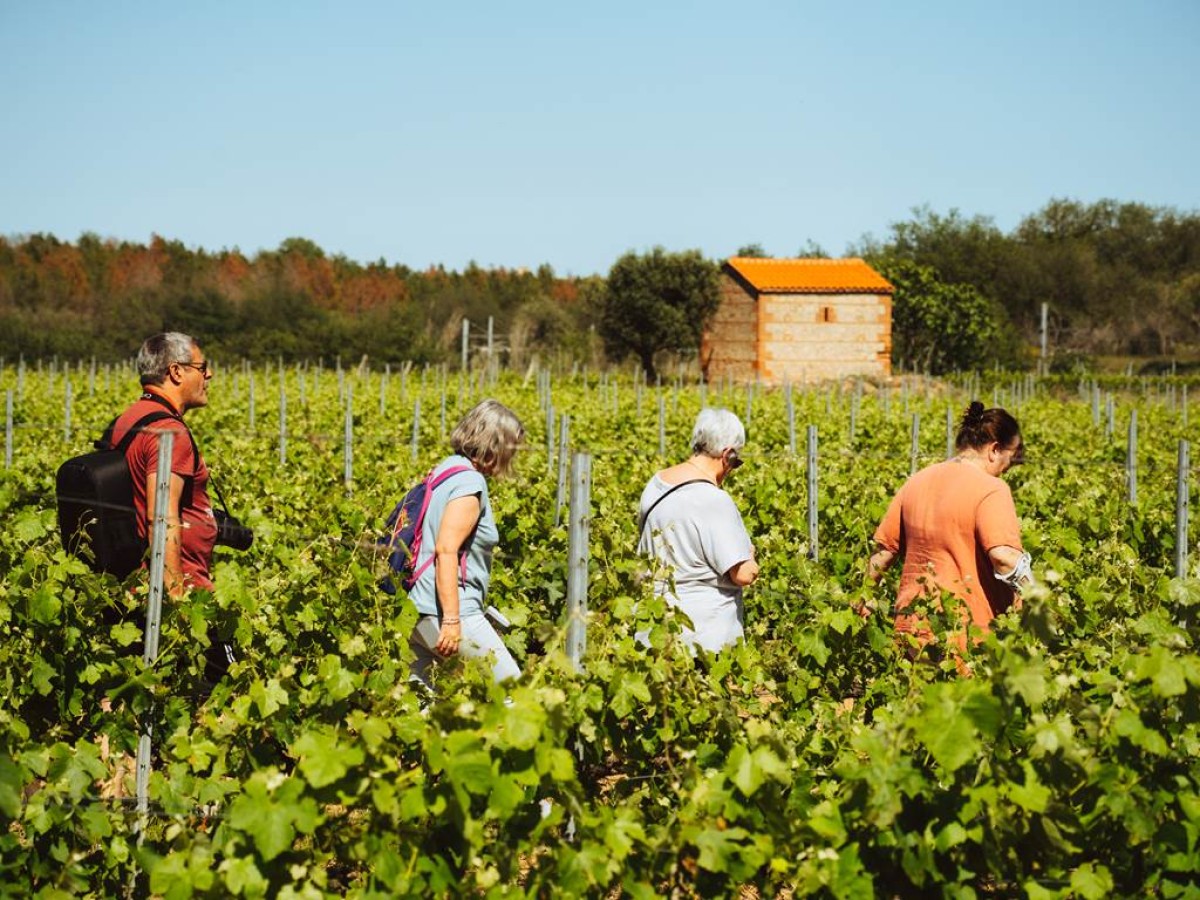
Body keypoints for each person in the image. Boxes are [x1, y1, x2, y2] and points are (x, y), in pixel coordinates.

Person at [109, 331, 233, 682]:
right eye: (202, 367)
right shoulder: (170, 434)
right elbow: (161, 518)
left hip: (136, 583)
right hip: (181, 589)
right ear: (177, 372)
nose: (208, 376)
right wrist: (178, 598)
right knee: (227, 689)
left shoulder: (131, 418)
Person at [868, 401, 1032, 653]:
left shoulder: (917, 481)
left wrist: (863, 598)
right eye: (1010, 460)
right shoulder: (991, 488)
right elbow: (1004, 557)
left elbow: (883, 553)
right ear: (995, 449)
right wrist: (1037, 597)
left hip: (911, 629)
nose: (1006, 470)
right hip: (964, 633)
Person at [406, 399, 525, 688]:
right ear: (495, 445)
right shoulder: (470, 483)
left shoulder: (444, 471)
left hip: (417, 609)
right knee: (514, 692)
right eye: (511, 448)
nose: (512, 457)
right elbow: (446, 550)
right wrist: (452, 620)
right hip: (450, 611)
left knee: (422, 705)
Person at [637, 407, 759, 652]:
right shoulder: (714, 500)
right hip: (703, 640)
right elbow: (743, 574)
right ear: (728, 455)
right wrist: (751, 555)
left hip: (654, 628)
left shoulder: (656, 483)